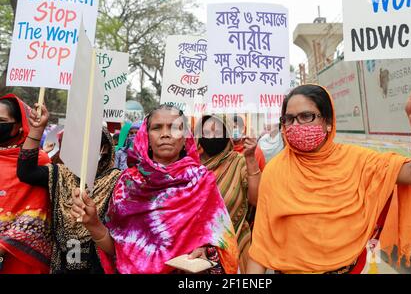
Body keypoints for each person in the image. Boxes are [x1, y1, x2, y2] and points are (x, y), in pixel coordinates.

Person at [247, 82, 411, 274]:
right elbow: (261, 246)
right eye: (289, 119)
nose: (296, 125)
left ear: (329, 122)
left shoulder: (358, 161)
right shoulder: (275, 171)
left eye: (306, 116)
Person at [70, 105, 239, 274]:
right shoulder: (128, 183)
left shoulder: (201, 182)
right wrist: (93, 224)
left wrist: (207, 255)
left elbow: (224, 246)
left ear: (184, 138)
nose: (165, 134)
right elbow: (116, 250)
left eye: (174, 128)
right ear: (147, 137)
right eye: (157, 128)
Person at [17, 104, 121, 273]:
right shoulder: (60, 173)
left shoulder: (118, 180)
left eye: (89, 143)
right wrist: (36, 132)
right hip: (61, 265)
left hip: (99, 265)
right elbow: (26, 172)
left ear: (104, 148)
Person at [195, 115, 261, 272]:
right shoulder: (192, 168)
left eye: (218, 131)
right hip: (196, 252)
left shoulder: (239, 162)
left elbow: (256, 199)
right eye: (207, 132)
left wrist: (251, 158)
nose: (212, 136)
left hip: (236, 246)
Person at [0, 94, 52, 274]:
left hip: (19, 257)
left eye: (1, 121)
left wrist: (4, 243)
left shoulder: (38, 160)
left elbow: (39, 206)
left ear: (20, 126)